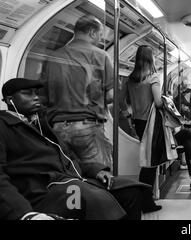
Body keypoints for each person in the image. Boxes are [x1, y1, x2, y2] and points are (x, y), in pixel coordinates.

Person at [0, 78, 151, 220]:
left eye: (36, 93)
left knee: (131, 191)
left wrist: (96, 170)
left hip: (70, 180)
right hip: (42, 190)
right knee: (94, 199)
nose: (36, 98)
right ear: (9, 99)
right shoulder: (4, 126)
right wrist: (24, 213)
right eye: (27, 94)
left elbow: (67, 158)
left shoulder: (41, 124)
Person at [44, 15, 113, 168]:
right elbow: (111, 95)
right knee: (100, 176)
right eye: (100, 35)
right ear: (92, 32)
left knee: (70, 174)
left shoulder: (53, 56)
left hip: (57, 128)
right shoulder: (101, 55)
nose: (99, 39)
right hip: (87, 126)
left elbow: (46, 93)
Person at [118, 45, 162, 212]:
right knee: (151, 164)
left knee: (147, 162)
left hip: (138, 122)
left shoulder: (130, 79)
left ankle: (144, 199)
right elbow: (158, 102)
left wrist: (128, 115)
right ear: (151, 58)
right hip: (151, 123)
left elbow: (121, 100)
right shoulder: (152, 78)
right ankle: (146, 202)